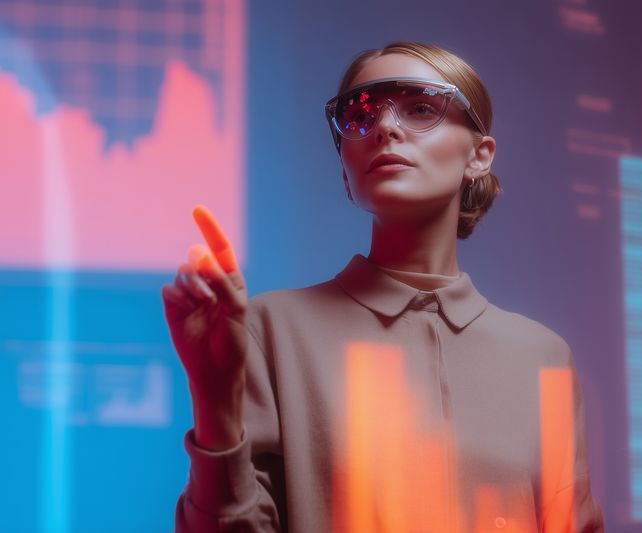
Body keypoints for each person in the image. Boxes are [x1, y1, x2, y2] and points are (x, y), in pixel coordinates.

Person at [163, 41, 604, 532]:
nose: (384, 128)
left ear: (479, 156)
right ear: (346, 171)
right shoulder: (269, 329)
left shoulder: (542, 355)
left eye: (420, 108)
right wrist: (216, 404)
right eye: (360, 116)